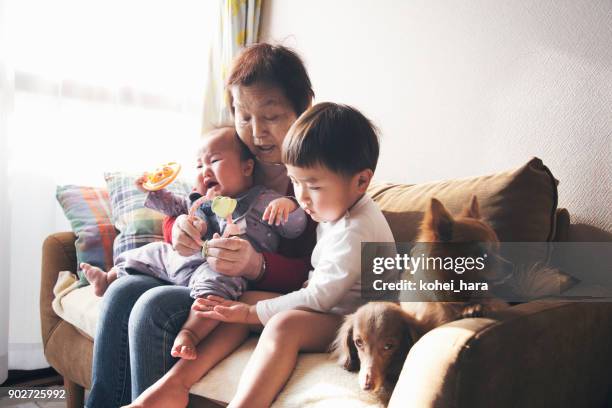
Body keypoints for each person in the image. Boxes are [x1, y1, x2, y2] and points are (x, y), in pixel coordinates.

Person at [85, 43, 316, 408]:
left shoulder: (313, 177)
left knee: (153, 307)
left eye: (271, 117)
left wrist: (257, 265)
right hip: (194, 269)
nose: (256, 133)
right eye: (244, 116)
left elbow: (317, 272)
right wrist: (176, 228)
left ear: (302, 110)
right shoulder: (230, 157)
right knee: (120, 291)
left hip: (236, 289)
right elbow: (195, 209)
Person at [81, 127, 306, 360]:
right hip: (187, 261)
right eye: (199, 166)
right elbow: (174, 207)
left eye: (215, 161)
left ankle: (190, 333)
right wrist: (156, 192)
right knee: (153, 251)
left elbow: (296, 228)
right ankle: (110, 277)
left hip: (223, 268)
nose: (205, 171)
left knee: (219, 285)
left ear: (247, 167)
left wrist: (289, 206)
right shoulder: (200, 200)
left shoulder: (262, 199)